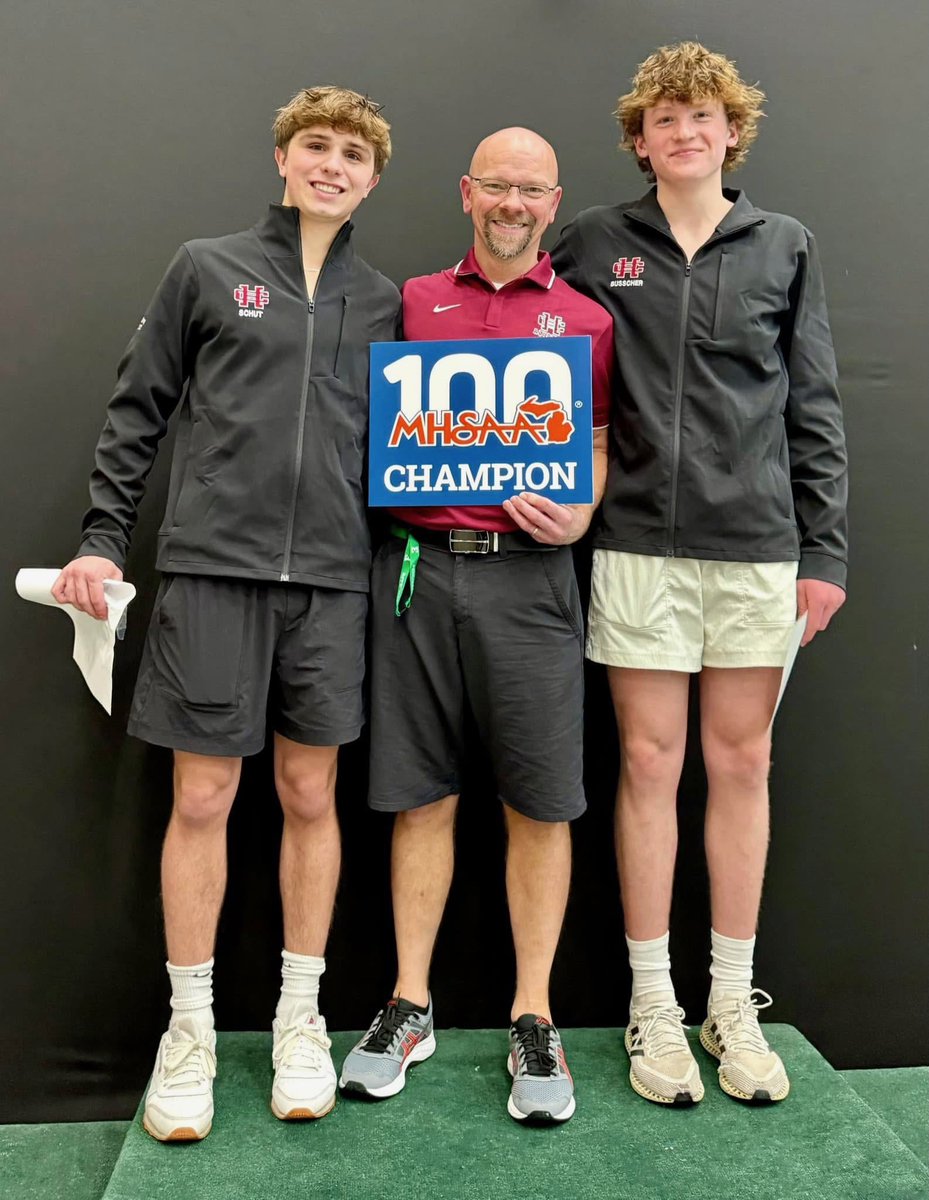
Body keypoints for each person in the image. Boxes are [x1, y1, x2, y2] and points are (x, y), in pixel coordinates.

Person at [51, 86, 400, 1141]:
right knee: (202, 798)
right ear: (283, 159)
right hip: (212, 572)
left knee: (309, 792)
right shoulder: (207, 268)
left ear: (372, 179)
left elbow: (415, 447)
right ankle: (190, 1031)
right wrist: (102, 537)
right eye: (315, 146)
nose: (332, 165)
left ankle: (300, 1018)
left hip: (332, 583)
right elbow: (138, 408)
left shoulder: (386, 302)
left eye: (353, 154)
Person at [551, 42, 847, 1106]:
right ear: (640, 141)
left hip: (757, 550)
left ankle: (729, 1002)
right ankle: (652, 1005)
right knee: (645, 764)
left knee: (741, 764)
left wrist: (823, 550)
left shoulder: (783, 244)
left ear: (731, 132)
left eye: (701, 117)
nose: (683, 133)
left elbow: (812, 402)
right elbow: (536, 352)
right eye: (663, 119)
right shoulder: (593, 242)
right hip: (634, 547)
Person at [338, 128, 614, 1123]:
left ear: (553, 203)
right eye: (496, 185)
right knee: (420, 795)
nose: (512, 203)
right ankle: (409, 1004)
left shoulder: (586, 318)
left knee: (539, 803)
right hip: (417, 573)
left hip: (531, 581)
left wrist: (581, 509)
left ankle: (532, 1017)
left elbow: (596, 442)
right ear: (466, 193)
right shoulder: (410, 301)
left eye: (530, 190)